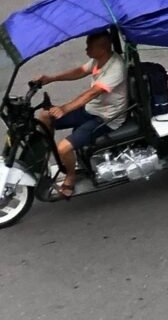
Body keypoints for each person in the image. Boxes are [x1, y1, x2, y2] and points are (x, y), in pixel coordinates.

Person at [35, 31, 129, 198]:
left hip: (106, 118)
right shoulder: (98, 60)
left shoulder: (116, 67)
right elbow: (80, 71)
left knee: (63, 148)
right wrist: (51, 78)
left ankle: (70, 176)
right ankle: (43, 161)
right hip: (91, 109)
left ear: (103, 48)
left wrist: (64, 108)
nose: (86, 50)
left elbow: (92, 93)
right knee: (44, 117)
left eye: (89, 47)